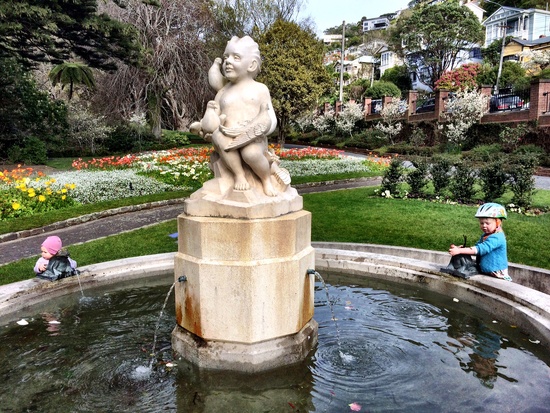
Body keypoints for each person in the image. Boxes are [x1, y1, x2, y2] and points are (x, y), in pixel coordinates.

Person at [191, 35, 289, 197]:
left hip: (253, 137)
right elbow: (214, 116)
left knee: (250, 153)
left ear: (251, 65)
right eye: (226, 57)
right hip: (227, 136)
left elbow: (270, 117)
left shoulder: (260, 89)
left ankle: (266, 179)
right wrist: (204, 124)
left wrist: (261, 128)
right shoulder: (223, 92)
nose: (228, 61)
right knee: (219, 137)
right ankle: (239, 175)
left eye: (236, 57)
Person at [448, 203, 511, 281]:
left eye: (487, 223)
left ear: (498, 223)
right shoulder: (485, 235)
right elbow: (476, 247)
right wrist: (463, 249)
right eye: (481, 223)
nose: (484, 226)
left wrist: (460, 251)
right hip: (487, 270)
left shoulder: (497, 237)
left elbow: (480, 249)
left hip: (497, 274)